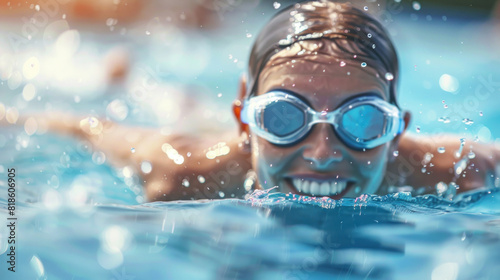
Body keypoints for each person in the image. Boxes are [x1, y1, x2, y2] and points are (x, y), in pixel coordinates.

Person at [2, 0, 500, 201]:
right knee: (178, 112)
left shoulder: (460, 172)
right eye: (285, 116)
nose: (322, 153)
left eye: (362, 122)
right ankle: (132, 81)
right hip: (198, 128)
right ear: (244, 117)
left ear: (397, 130)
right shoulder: (178, 171)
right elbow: (89, 129)